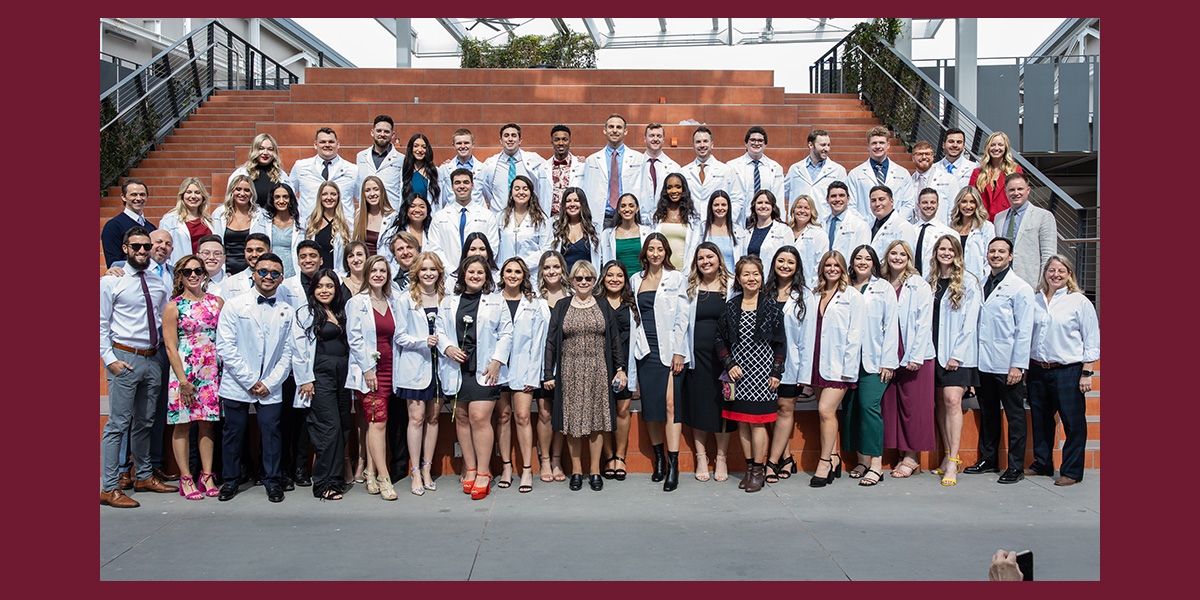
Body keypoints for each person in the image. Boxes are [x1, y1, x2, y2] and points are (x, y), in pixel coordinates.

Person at [100, 227, 177, 508]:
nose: (143, 251)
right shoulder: (111, 282)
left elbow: (162, 318)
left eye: (146, 246)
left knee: (145, 421)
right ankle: (108, 487)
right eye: (137, 247)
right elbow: (99, 324)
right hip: (125, 357)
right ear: (125, 249)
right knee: (118, 424)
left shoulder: (159, 284)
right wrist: (110, 360)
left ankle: (144, 475)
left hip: (152, 357)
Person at [215, 251, 294, 503]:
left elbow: (288, 352)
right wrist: (250, 380)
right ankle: (230, 481)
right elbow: (225, 346)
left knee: (271, 433)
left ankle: (272, 480)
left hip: (271, 385)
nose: (268, 276)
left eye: (274, 273)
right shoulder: (234, 304)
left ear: (281, 279)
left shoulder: (287, 311)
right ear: (253, 274)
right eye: (263, 271)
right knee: (233, 433)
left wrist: (269, 382)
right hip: (238, 383)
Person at [543, 260, 627, 492]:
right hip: (569, 371)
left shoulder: (603, 305)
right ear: (571, 280)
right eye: (578, 278)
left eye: (588, 278)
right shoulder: (561, 305)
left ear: (594, 281)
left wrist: (620, 367)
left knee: (597, 422)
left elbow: (614, 341)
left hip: (598, 370)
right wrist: (548, 373)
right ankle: (577, 471)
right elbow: (551, 342)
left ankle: (595, 471)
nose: (583, 282)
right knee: (572, 422)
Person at [436, 255, 514, 500]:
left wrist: (496, 361)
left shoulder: (496, 301)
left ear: (486, 277)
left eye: (480, 273)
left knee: (479, 417)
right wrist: (447, 347)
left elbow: (506, 332)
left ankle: (483, 472)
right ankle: (470, 468)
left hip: (484, 368)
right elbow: (439, 329)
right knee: (461, 417)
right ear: (463, 274)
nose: (475, 276)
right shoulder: (449, 302)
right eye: (471, 272)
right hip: (458, 367)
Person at [966, 237, 1035, 483]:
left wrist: (1018, 365)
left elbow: (1024, 330)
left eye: (1001, 251)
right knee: (989, 413)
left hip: (1008, 365)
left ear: (1011, 256)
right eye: (992, 251)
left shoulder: (1020, 288)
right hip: (984, 363)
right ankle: (989, 459)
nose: (996, 255)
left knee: (1015, 416)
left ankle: (1015, 466)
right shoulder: (982, 283)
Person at [1026, 255, 1099, 487]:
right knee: (1041, 420)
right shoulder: (1035, 299)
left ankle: (1071, 471)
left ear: (1069, 274)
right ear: (1045, 273)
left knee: (1073, 422)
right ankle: (1043, 463)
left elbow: (1091, 337)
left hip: (1068, 370)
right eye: (1051, 270)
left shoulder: (1078, 301)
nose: (1055, 274)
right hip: (1038, 369)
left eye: (1061, 271)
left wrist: (1087, 372)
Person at [716, 255, 786, 493]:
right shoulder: (731, 307)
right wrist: (729, 364)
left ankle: (759, 470)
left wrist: (776, 371)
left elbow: (780, 343)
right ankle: (748, 470)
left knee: (758, 425)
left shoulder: (770, 306)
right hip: (739, 375)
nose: (751, 278)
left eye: (755, 273)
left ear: (762, 276)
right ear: (739, 278)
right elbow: (720, 339)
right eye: (746, 274)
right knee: (743, 424)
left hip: (763, 375)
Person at [630, 233, 690, 492]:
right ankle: (658, 461)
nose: (655, 253)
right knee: (651, 408)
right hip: (645, 350)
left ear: (667, 252)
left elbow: (683, 316)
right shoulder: (635, 280)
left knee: (670, 405)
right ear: (645, 253)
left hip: (670, 348)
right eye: (651, 249)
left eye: (660, 249)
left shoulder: (677, 279)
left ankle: (673, 465)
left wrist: (678, 351)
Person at [162, 255, 225, 500]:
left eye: (198, 270)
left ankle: (207, 476)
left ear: (204, 274)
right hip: (184, 371)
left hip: (210, 370)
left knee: (208, 423)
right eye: (187, 271)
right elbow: (170, 347)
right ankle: (186, 477)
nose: (193, 275)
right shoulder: (173, 307)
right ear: (180, 275)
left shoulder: (216, 302)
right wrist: (183, 381)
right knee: (183, 423)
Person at [489, 257, 550, 493]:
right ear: (502, 275)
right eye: (508, 271)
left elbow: (538, 343)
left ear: (524, 275)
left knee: (523, 416)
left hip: (524, 370)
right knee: (503, 417)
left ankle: (526, 469)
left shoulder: (534, 304)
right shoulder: (492, 302)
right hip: (498, 369)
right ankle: (506, 466)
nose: (512, 275)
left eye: (517, 271)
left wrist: (532, 376)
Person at [291, 268, 352, 500]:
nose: (324, 290)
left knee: (343, 427)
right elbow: (297, 350)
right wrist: (305, 379)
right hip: (320, 376)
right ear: (312, 289)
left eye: (329, 286)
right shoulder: (305, 313)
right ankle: (323, 483)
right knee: (329, 429)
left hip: (342, 376)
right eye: (319, 286)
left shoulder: (340, 312)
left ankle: (335, 480)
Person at [345, 256, 403, 500]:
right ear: (367, 273)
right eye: (374, 270)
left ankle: (369, 471)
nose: (378, 274)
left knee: (378, 423)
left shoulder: (393, 301)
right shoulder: (357, 302)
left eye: (383, 270)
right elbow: (354, 339)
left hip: (392, 368)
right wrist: (368, 369)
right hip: (370, 372)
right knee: (377, 423)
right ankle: (383, 476)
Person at [928, 235, 982, 486]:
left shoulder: (969, 281)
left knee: (952, 401)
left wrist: (957, 354)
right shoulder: (930, 281)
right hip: (934, 351)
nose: (946, 253)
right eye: (942, 249)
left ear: (958, 253)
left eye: (951, 249)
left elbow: (971, 323)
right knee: (940, 403)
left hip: (957, 354)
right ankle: (948, 456)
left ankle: (953, 461)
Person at [879, 240, 936, 478]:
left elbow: (924, 322)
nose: (897, 257)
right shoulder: (881, 284)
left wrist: (915, 355)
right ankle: (902, 454)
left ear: (909, 258)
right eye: (893, 253)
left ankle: (912, 456)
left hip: (914, 353)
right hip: (890, 352)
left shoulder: (918, 284)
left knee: (914, 407)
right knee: (894, 405)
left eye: (902, 254)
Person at [843, 245, 899, 486]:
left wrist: (888, 361)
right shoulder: (843, 287)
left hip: (874, 361)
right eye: (858, 258)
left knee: (868, 407)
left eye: (867, 258)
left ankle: (876, 465)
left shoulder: (883, 288)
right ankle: (862, 460)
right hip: (847, 361)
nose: (862, 262)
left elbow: (891, 325)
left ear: (874, 262)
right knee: (852, 409)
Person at [681, 243, 736, 483]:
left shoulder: (732, 285)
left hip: (724, 357)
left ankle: (722, 457)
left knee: (724, 405)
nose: (706, 261)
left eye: (710, 256)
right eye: (701, 257)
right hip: (697, 356)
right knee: (699, 404)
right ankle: (701, 456)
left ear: (719, 259)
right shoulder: (690, 285)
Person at [810, 250, 865, 487]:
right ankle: (834, 458)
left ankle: (824, 461)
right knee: (825, 413)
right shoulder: (815, 294)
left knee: (825, 410)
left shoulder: (852, 296)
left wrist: (848, 366)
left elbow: (856, 333)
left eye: (836, 265)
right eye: (828, 265)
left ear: (843, 268)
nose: (832, 269)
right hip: (817, 361)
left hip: (839, 364)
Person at [393, 252, 447, 494]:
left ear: (439, 272)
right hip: (416, 365)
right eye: (424, 269)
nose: (428, 273)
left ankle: (427, 467)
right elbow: (399, 336)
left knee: (433, 419)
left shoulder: (446, 298)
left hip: (440, 367)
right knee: (416, 419)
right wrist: (422, 342)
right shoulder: (405, 300)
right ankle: (414, 471)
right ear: (416, 272)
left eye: (433, 269)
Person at [763, 246, 817, 483]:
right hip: (763, 364)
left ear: (797, 267)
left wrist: (804, 375)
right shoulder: (763, 293)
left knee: (785, 410)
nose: (785, 266)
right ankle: (786, 457)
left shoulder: (805, 296)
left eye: (790, 262)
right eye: (781, 261)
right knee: (767, 413)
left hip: (791, 366)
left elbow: (808, 337)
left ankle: (771, 463)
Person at [596, 260, 638, 481]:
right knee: (604, 412)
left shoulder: (633, 304)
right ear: (603, 278)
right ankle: (608, 456)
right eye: (610, 275)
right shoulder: (595, 303)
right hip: (600, 364)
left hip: (626, 364)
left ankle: (620, 457)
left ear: (625, 279)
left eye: (619, 275)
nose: (614, 279)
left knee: (622, 411)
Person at [535, 250, 570, 482]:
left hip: (568, 364)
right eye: (547, 268)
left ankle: (557, 460)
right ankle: (545, 460)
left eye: (555, 267)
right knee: (546, 414)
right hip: (541, 364)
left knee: (562, 414)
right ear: (541, 271)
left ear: (562, 269)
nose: (551, 271)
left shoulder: (574, 295)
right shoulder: (533, 298)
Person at [580, 114, 646, 230]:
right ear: (605, 130)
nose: (615, 130)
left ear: (625, 131)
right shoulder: (592, 160)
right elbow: (586, 189)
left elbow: (644, 189)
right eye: (611, 127)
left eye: (619, 127)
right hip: (603, 216)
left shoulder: (638, 159)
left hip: (628, 216)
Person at [428, 168, 500, 272]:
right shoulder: (440, 217)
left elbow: (492, 247)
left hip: (478, 274)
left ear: (472, 186)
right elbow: (434, 247)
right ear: (452, 187)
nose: (462, 186)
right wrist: (450, 271)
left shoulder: (487, 216)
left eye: (466, 182)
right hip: (448, 274)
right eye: (457, 183)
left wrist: (475, 269)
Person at [993, 173, 1058, 287]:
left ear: (1028, 190)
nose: (1016, 193)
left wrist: (1043, 285)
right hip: (1002, 282)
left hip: (1029, 282)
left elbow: (1048, 254)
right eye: (1012, 190)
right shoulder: (999, 218)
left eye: (1020, 189)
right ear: (1006, 192)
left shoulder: (1043, 216)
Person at [479, 123, 552, 215]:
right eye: (506, 136)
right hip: (499, 217)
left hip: (527, 217)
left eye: (514, 136)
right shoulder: (490, 164)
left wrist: (576, 160)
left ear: (520, 140)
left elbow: (551, 169)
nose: (510, 139)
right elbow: (488, 191)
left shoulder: (535, 160)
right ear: (501, 140)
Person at [287, 126, 358, 220]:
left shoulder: (352, 169)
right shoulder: (300, 167)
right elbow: (288, 194)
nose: (327, 145)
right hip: (309, 225)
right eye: (322, 142)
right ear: (315, 145)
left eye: (331, 142)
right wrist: (300, 211)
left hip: (342, 226)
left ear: (338, 144)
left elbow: (362, 199)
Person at [846, 126, 913, 222]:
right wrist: (864, 224)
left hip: (896, 226)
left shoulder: (903, 173)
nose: (878, 146)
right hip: (866, 228)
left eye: (881, 143)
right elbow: (850, 205)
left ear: (888, 145)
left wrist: (895, 222)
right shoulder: (855, 174)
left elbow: (909, 204)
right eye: (874, 143)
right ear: (868, 146)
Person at [681, 126, 744, 223]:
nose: (702, 145)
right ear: (693, 145)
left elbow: (737, 199)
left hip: (718, 225)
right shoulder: (684, 172)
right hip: (691, 226)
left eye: (705, 141)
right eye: (698, 142)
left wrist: (726, 221)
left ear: (712, 144)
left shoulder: (726, 170)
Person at [497, 175, 552, 281]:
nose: (521, 192)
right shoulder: (501, 217)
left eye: (525, 189)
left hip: (531, 274)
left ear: (531, 193)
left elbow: (546, 249)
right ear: (511, 193)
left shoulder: (541, 219)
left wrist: (523, 265)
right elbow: (495, 246)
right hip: (505, 274)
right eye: (517, 189)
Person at [729, 126, 786, 219]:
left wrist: (781, 222)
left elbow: (778, 199)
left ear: (765, 145)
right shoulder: (732, 166)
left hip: (766, 220)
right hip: (741, 219)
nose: (756, 143)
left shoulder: (775, 168)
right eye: (753, 140)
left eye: (760, 141)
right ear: (746, 143)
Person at [785, 129, 847, 215]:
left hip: (824, 221)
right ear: (811, 145)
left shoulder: (838, 170)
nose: (826, 149)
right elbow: (785, 194)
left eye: (828, 145)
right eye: (823, 145)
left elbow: (843, 199)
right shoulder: (795, 169)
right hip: (799, 221)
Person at [649, 173, 701, 271]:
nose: (674, 191)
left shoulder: (693, 217)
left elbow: (695, 246)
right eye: (669, 187)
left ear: (684, 189)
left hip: (685, 269)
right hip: (660, 269)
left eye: (678, 187)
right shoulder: (657, 216)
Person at [250, 182, 303, 279]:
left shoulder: (301, 223)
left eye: (285, 197)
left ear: (291, 199)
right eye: (277, 197)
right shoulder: (263, 221)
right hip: (270, 274)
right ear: (272, 199)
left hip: (293, 272)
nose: (281, 201)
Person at [103, 179, 158, 267]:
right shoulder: (113, 225)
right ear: (123, 197)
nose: (139, 198)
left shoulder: (151, 227)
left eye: (142, 195)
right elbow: (114, 263)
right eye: (133, 194)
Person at [968, 131, 1022, 220]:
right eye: (992, 145)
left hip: (1006, 220)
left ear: (1006, 148)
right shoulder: (977, 172)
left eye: (1000, 145)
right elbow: (971, 198)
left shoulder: (1015, 170)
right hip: (983, 221)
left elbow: (1020, 197)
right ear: (987, 148)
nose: (996, 148)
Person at [949, 185, 996, 284]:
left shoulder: (986, 227)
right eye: (964, 201)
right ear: (958, 203)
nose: (968, 206)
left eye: (972, 202)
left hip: (978, 280)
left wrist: (984, 280)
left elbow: (990, 257)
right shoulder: (951, 227)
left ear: (977, 204)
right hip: (954, 280)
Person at [158, 177, 213, 263]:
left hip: (207, 269)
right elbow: (161, 248)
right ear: (182, 195)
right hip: (182, 270)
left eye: (197, 192)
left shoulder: (209, 220)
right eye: (189, 192)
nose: (193, 196)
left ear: (203, 196)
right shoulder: (169, 220)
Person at [685, 190, 740, 274]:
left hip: (730, 280)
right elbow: (692, 255)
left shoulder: (738, 231)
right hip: (707, 279)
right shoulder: (701, 229)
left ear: (728, 207)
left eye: (723, 205)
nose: (720, 208)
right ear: (711, 207)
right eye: (716, 205)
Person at [213, 174, 258, 275]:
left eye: (247, 190)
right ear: (232, 191)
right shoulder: (219, 213)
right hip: (225, 270)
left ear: (252, 193)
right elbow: (215, 243)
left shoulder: (259, 215)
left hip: (252, 271)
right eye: (238, 189)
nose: (242, 193)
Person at [304, 181, 350, 276]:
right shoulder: (311, 222)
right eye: (325, 194)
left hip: (338, 276)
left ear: (338, 197)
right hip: (315, 277)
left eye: (333, 194)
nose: (329, 198)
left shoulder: (347, 223)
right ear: (320, 197)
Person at [599, 192, 651, 277]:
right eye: (623, 206)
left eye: (631, 206)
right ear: (618, 210)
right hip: (618, 282)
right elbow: (600, 260)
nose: (627, 209)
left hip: (642, 280)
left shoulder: (648, 232)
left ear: (637, 209)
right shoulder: (607, 234)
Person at [552, 187, 602, 273]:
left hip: (585, 281)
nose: (572, 204)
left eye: (576, 200)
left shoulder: (594, 228)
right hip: (562, 282)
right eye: (568, 201)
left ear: (582, 204)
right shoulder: (555, 227)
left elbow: (600, 258)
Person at [355, 115, 405, 202]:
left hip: (391, 212)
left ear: (392, 134)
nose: (382, 134)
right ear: (372, 132)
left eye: (386, 132)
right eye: (379, 131)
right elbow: (359, 187)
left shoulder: (401, 159)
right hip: (367, 212)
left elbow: (403, 189)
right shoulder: (361, 156)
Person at [381, 194, 439, 268]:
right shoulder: (393, 232)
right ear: (406, 210)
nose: (417, 210)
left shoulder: (433, 232)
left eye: (422, 207)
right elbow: (385, 259)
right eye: (412, 206)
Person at [436, 127, 487, 210]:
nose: (463, 146)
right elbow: (441, 198)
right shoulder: (444, 169)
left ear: (473, 145)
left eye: (466, 143)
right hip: (452, 215)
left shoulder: (483, 169)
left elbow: (490, 196)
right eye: (459, 143)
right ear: (453, 146)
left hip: (477, 216)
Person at [906, 142, 957, 225]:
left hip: (940, 231)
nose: (924, 157)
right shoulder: (909, 181)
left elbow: (953, 210)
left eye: (928, 154)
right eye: (919, 154)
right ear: (913, 158)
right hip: (916, 229)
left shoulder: (948, 179)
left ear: (933, 157)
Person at [911, 188, 958, 276]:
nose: (929, 205)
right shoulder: (910, 230)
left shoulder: (950, 233)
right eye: (925, 202)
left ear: (938, 205)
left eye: (932, 202)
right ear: (918, 205)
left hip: (937, 280)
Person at [231, 133, 286, 206]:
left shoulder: (281, 175)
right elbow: (230, 200)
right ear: (254, 150)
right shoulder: (241, 173)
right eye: (261, 148)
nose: (265, 153)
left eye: (270, 149)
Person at [638, 123, 680, 216]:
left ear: (663, 140)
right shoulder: (635, 164)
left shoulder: (674, 167)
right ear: (645, 139)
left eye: (659, 136)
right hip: (639, 218)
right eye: (652, 136)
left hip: (665, 218)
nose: (655, 139)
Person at [739, 189, 793, 263]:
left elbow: (790, 258)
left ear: (772, 207)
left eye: (767, 203)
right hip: (752, 273)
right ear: (754, 206)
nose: (763, 206)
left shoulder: (784, 230)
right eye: (760, 203)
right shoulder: (747, 232)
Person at [787, 195, 829, 289]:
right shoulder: (785, 231)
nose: (802, 211)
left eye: (807, 208)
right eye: (799, 207)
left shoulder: (818, 234)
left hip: (808, 286)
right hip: (785, 285)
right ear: (793, 210)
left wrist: (815, 288)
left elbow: (820, 264)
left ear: (812, 212)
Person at [868, 185, 918, 261]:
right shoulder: (868, 226)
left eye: (881, 199)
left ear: (891, 202)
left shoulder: (904, 227)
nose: (877, 204)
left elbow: (906, 260)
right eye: (873, 200)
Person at [352, 175, 397, 257]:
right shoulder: (358, 215)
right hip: (363, 266)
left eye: (376, 189)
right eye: (367, 190)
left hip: (383, 266)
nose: (372, 194)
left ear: (382, 192)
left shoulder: (392, 217)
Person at [824, 181, 870, 261]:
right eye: (833, 196)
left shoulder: (860, 225)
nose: (837, 199)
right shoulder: (822, 224)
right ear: (827, 200)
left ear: (848, 199)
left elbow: (862, 256)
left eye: (841, 196)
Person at [547, 124, 585, 216]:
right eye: (557, 140)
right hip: (551, 217)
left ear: (569, 142)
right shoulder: (543, 167)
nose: (561, 143)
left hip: (574, 216)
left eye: (564, 139)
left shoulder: (582, 166)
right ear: (551, 142)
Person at [400, 133, 441, 213]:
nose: (420, 150)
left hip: (428, 218)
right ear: (411, 148)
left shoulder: (435, 172)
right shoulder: (403, 171)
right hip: (408, 217)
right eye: (416, 146)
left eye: (424, 147)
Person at [937, 128, 978, 194]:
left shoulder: (974, 168)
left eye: (959, 142)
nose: (955, 145)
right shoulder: (933, 169)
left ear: (963, 146)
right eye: (951, 141)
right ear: (943, 145)